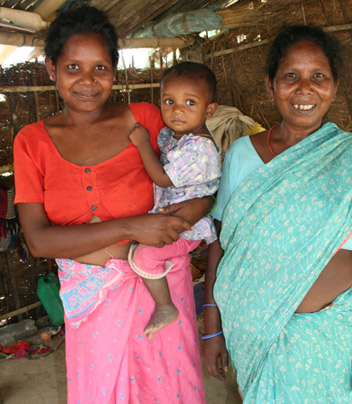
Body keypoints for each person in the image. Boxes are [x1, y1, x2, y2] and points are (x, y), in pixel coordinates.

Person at [13, 6, 208, 404]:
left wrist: (175, 226)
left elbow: (201, 185)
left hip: (162, 294)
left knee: (169, 391)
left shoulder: (147, 119)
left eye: (100, 68)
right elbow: (38, 241)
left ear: (115, 71)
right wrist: (131, 228)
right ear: (51, 69)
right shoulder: (31, 141)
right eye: (72, 67)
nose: (88, 81)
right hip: (92, 301)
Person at [203, 25, 352, 403]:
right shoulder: (242, 155)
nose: (304, 89)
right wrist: (212, 329)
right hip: (252, 331)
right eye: (291, 76)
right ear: (270, 85)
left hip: (330, 335)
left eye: (318, 76)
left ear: (334, 86)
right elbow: (221, 246)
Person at [127, 61, 220, 338]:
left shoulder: (199, 148)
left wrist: (142, 143)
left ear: (210, 109)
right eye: (169, 101)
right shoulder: (177, 135)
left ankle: (166, 306)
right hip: (175, 219)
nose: (177, 110)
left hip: (188, 226)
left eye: (190, 102)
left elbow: (162, 178)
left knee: (143, 257)